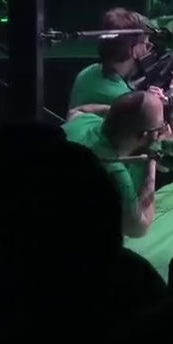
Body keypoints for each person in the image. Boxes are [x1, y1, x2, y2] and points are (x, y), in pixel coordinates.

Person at [68, 7, 173, 139]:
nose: (148, 49)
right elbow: (169, 144)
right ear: (135, 50)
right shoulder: (125, 99)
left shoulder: (85, 74)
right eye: (147, 44)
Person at [62, 89, 165, 239]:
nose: (162, 132)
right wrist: (152, 162)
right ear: (144, 136)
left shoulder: (82, 121)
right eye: (160, 128)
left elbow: (76, 110)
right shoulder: (115, 175)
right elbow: (138, 229)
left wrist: (118, 112)